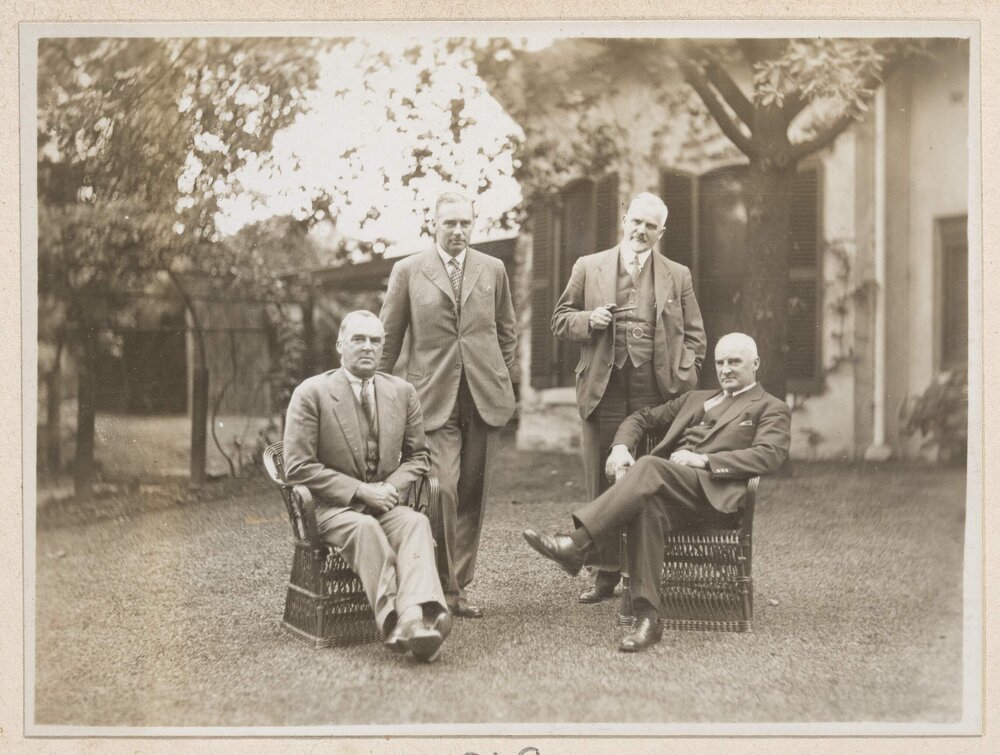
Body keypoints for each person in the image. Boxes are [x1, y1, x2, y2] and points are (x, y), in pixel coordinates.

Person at [523, 333, 790, 652]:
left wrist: (704, 461)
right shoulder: (696, 399)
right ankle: (647, 618)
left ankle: (578, 544)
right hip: (670, 490)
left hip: (713, 498)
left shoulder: (770, 407)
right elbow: (642, 417)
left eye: (735, 362)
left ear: (755, 364)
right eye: (721, 362)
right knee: (647, 506)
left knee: (649, 466)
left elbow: (769, 455)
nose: (726, 369)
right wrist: (621, 447)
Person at [550, 192, 706, 604]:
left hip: (655, 388)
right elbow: (560, 319)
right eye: (636, 221)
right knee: (602, 476)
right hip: (604, 384)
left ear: (661, 232)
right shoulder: (589, 266)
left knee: (645, 479)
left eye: (651, 226)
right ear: (625, 220)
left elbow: (695, 334)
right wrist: (589, 320)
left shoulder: (678, 274)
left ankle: (639, 573)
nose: (641, 230)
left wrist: (685, 373)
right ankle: (603, 574)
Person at [379, 191, 519, 619]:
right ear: (433, 225)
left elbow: (506, 330)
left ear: (473, 225)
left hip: (483, 396)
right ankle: (440, 585)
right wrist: (381, 395)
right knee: (442, 490)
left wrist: (495, 372)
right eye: (449, 223)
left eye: (465, 223)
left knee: (474, 494)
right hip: (432, 399)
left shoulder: (492, 269)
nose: (458, 231)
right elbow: (389, 339)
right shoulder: (408, 270)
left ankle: (456, 590)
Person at [283, 310, 452, 663]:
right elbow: (298, 467)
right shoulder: (312, 393)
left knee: (415, 522)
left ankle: (413, 619)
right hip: (331, 508)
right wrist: (361, 491)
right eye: (358, 339)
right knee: (365, 529)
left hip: (384, 502)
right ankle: (398, 619)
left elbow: (419, 457)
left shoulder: (402, 392)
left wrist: (390, 486)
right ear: (339, 345)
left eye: (375, 341)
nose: (367, 347)